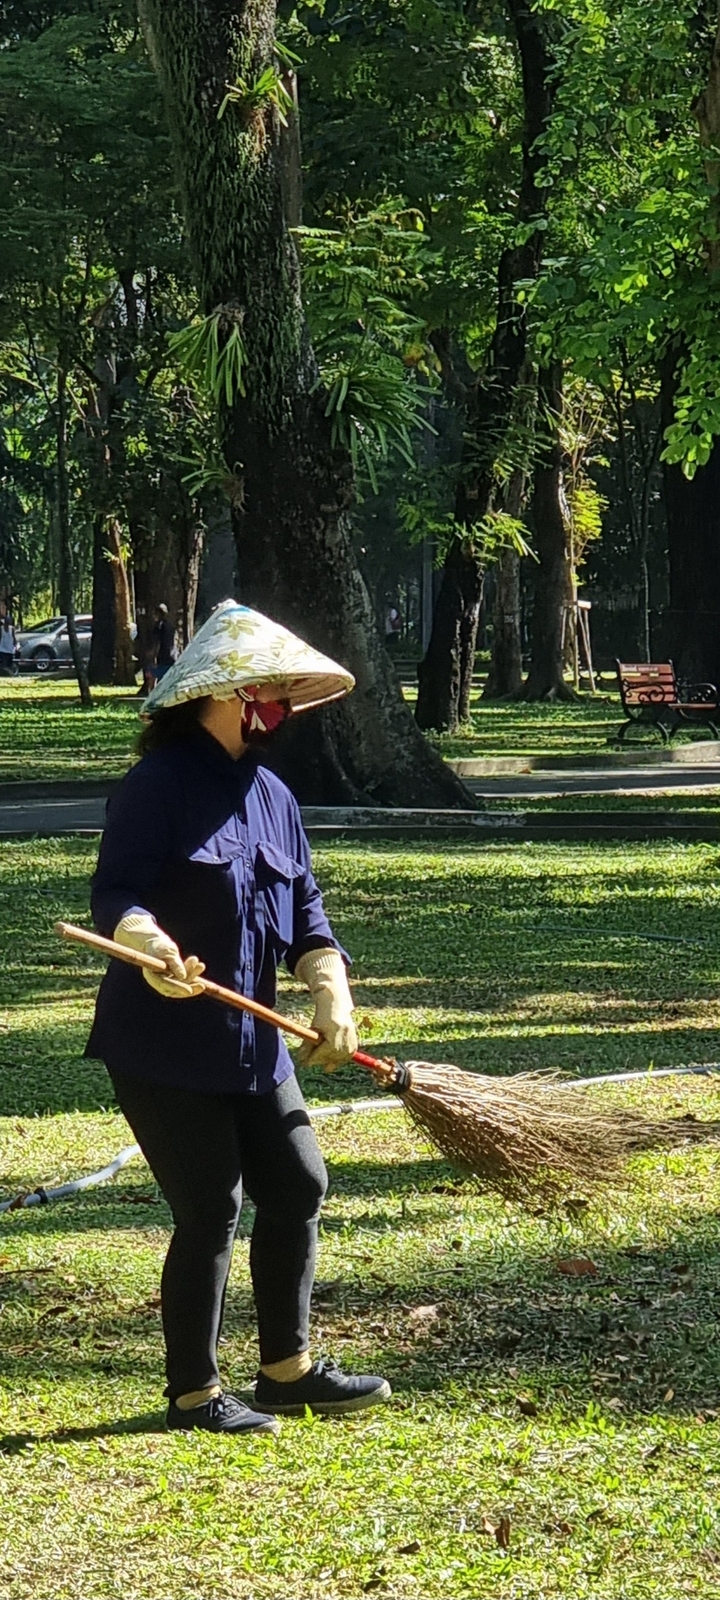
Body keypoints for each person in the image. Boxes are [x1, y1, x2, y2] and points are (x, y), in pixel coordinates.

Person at [85, 600, 390, 1437]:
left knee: (297, 1181)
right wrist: (151, 948)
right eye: (270, 690)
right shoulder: (155, 787)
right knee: (210, 1206)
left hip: (253, 1042)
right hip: (162, 1044)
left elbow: (307, 916)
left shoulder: (275, 796)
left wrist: (331, 990)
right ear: (223, 693)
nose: (282, 707)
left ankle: (287, 1370)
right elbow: (117, 895)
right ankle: (194, 1395)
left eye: (287, 693)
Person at [151, 603, 176, 684]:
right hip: (172, 655)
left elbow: (158, 642)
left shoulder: (159, 627)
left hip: (163, 656)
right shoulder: (170, 626)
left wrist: (154, 655)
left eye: (155, 613)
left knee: (161, 678)